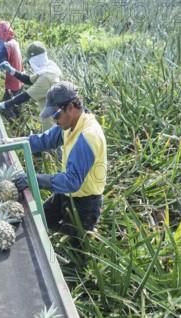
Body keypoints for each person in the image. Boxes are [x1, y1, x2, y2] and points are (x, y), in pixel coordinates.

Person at [14, 81, 107, 247]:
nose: (54, 120)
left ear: (70, 107)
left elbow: (72, 181)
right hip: (66, 193)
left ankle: (85, 239)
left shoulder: (88, 136)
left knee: (78, 248)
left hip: (85, 202)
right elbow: (44, 140)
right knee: (42, 218)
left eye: (55, 114)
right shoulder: (69, 125)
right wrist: (9, 143)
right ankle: (74, 229)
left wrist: (33, 179)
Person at [0, 41, 62, 132]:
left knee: (50, 143)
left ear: (35, 60)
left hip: (52, 124)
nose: (30, 65)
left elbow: (24, 96)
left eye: (30, 62)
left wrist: (2, 105)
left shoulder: (46, 78)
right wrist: (12, 71)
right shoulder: (48, 68)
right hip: (49, 119)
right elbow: (29, 80)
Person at [0, 21, 23, 119]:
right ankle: (20, 116)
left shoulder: (7, 46)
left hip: (13, 82)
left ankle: (14, 123)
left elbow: (0, 60)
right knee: (17, 102)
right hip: (20, 79)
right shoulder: (14, 42)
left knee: (6, 107)